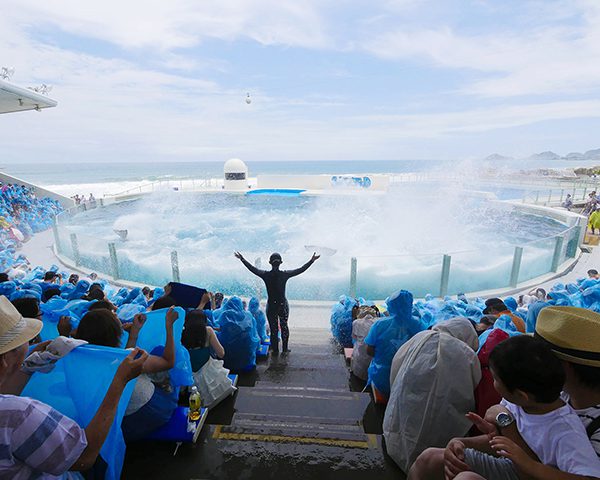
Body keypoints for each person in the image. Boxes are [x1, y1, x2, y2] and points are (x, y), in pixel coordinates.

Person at [408, 335, 600, 480]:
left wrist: (527, 463)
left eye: (495, 379)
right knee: (429, 457)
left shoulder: (566, 432)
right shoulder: (524, 401)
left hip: (528, 474)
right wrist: (462, 442)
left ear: (521, 394)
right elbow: (503, 442)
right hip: (511, 467)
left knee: (465, 478)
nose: (493, 383)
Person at [0, 295, 147, 478]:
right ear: (5, 360)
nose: (31, 344)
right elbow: (83, 457)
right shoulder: (18, 413)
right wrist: (119, 382)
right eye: (25, 340)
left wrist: (29, 366)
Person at [384, 318, 481, 472]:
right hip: (443, 420)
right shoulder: (466, 353)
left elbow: (396, 366)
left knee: (405, 429)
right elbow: (474, 384)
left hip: (407, 407)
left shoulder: (418, 338)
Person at [74, 307, 178, 441]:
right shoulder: (126, 360)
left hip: (117, 420)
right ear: (115, 335)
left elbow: (125, 356)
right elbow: (168, 362)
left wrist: (134, 334)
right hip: (151, 411)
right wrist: (169, 327)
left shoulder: (80, 360)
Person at [235, 251, 320, 353]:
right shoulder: (284, 274)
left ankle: (275, 350)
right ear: (281, 262)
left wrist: (242, 259)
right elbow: (300, 270)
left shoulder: (266, 275)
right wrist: (311, 260)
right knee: (284, 326)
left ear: (270, 262)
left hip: (271, 306)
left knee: (273, 329)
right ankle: (284, 349)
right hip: (282, 305)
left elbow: (252, 269)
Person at [364, 290, 423, 400]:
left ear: (391, 306)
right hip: (407, 380)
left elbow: (369, 351)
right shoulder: (419, 324)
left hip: (383, 379)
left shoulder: (379, 324)